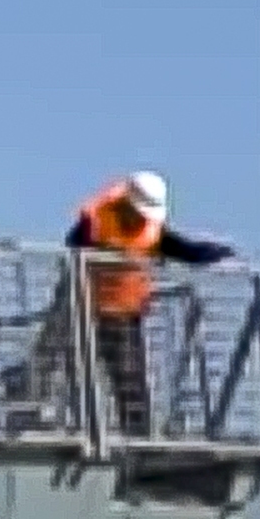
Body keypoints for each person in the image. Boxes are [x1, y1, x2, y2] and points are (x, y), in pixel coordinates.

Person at [65, 170, 239, 440]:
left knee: (130, 379)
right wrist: (104, 254)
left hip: (122, 313)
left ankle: (138, 434)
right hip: (84, 303)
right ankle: (23, 392)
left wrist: (213, 253)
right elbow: (73, 244)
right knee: (55, 355)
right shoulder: (99, 219)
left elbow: (183, 249)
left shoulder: (151, 231)